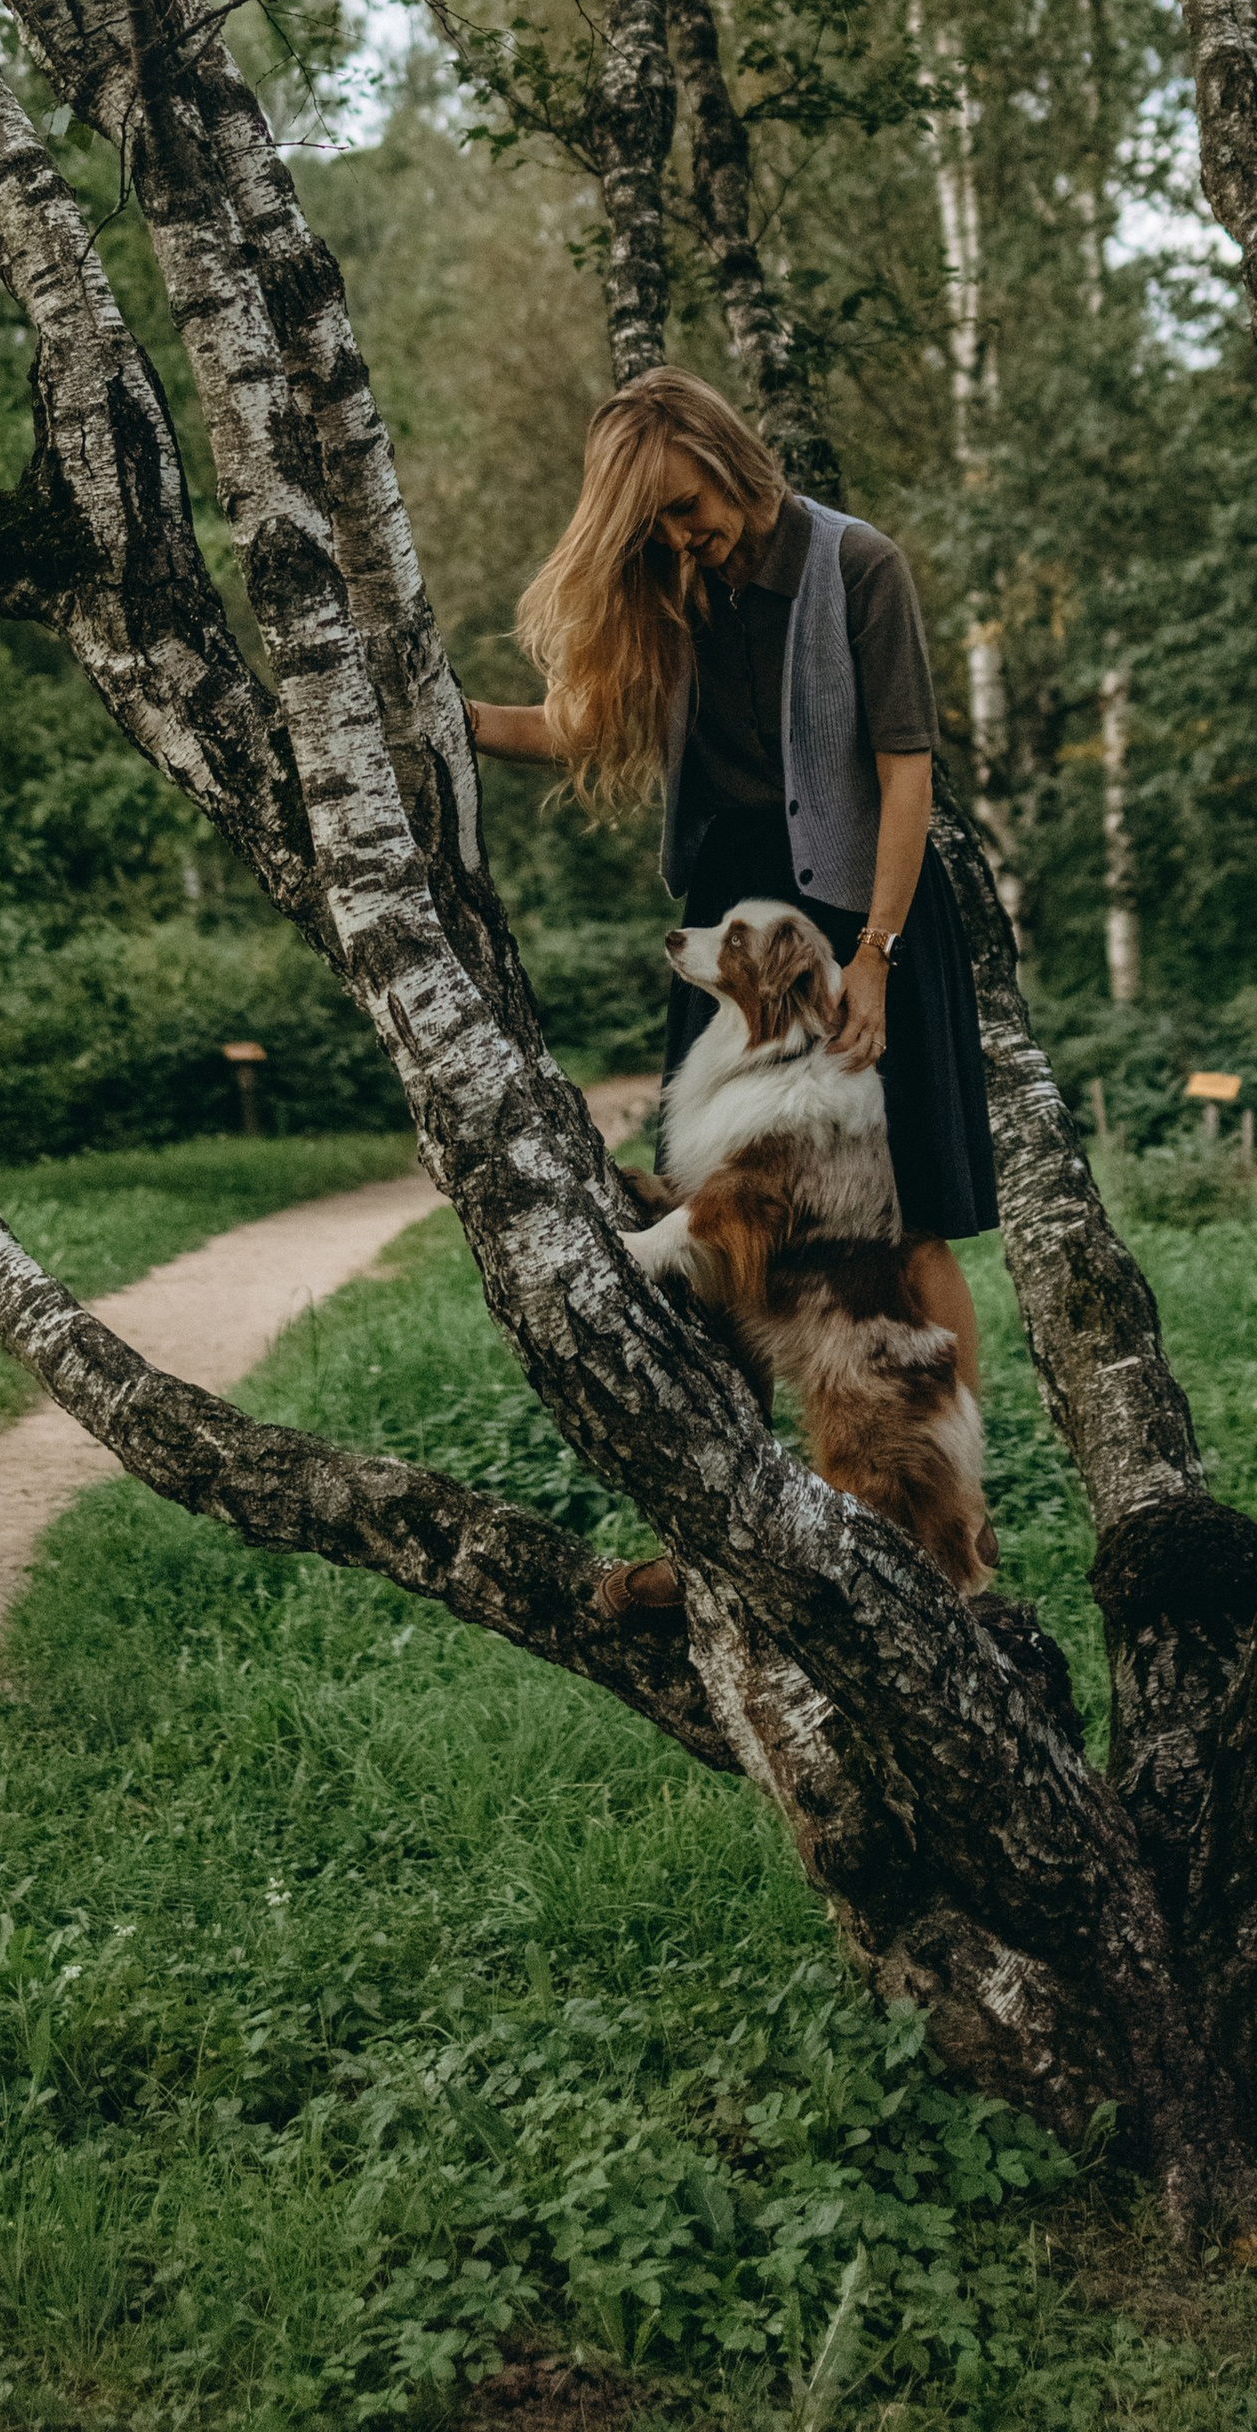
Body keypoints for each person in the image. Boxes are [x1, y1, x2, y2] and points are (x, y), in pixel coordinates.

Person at [467, 368, 998, 1604]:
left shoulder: (857, 567)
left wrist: (874, 951)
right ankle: (740, 1538)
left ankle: (950, 1539)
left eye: (687, 506)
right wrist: (450, 713)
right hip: (734, 935)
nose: (681, 535)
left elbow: (904, 771)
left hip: (870, 921)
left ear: (726, 454)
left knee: (901, 1228)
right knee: (722, 1227)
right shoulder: (673, 590)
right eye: (650, 525)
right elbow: (578, 724)